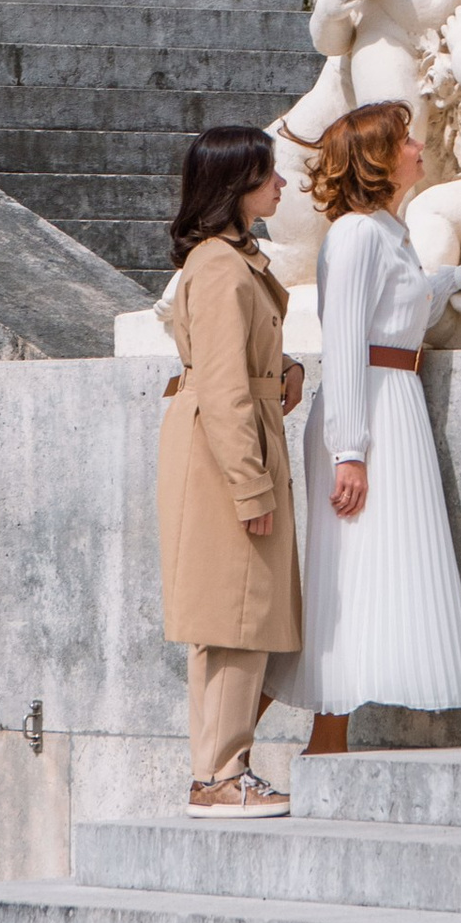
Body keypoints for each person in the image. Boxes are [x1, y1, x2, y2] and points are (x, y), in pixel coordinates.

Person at [293, 101, 461, 751]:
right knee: (345, 568)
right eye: (405, 141)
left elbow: (404, 307)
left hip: (394, 400)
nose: (420, 146)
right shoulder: (354, 236)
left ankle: (327, 740)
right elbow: (341, 342)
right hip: (365, 406)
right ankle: (251, 746)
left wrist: (455, 276)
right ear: (379, 159)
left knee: (370, 567)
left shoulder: (385, 231)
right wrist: (348, 450)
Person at [156, 124, 304, 816]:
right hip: (226, 456)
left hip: (229, 444)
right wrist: (250, 485)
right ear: (236, 187)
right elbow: (220, 386)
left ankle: (220, 770)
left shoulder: (227, 260)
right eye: (269, 175)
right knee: (235, 614)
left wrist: (284, 371)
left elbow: (234, 365)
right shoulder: (218, 267)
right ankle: (220, 775)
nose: (282, 185)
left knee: (232, 614)